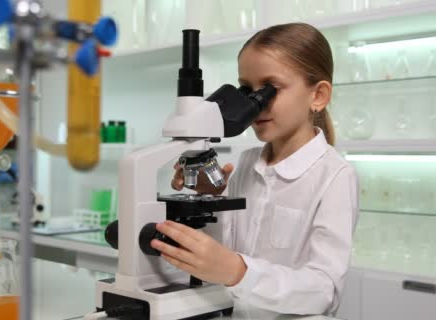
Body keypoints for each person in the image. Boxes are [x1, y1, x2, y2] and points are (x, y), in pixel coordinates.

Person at [151, 23, 359, 315]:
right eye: (247, 90)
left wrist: (240, 272)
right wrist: (208, 201)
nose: (256, 104)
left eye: (270, 89)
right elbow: (221, 255)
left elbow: (324, 290)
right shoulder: (246, 162)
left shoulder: (335, 177)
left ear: (318, 96)